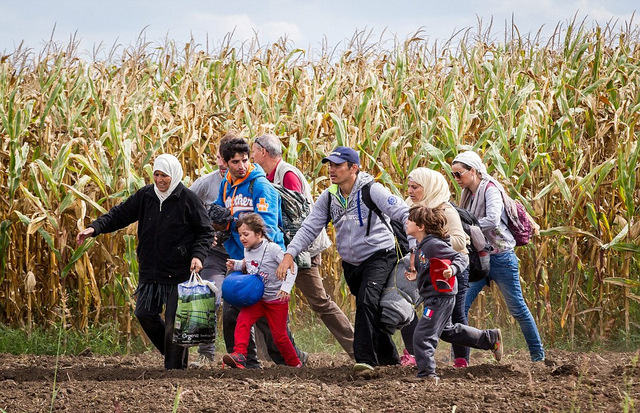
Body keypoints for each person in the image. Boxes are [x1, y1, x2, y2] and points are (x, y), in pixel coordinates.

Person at [76, 154, 213, 369]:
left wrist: (198, 256)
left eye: (164, 175)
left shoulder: (187, 199)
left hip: (179, 272)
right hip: (151, 270)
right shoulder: (146, 195)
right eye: (156, 174)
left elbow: (205, 232)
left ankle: (175, 370)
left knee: (173, 324)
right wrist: (95, 228)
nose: (159, 180)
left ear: (174, 175)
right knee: (144, 313)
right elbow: (119, 214)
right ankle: (175, 360)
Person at [277, 146, 407, 372]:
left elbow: (403, 213)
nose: (331, 170)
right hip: (351, 264)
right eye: (330, 165)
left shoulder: (372, 190)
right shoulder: (329, 197)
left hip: (380, 256)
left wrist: (415, 248)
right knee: (371, 308)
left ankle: (365, 360)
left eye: (337, 165)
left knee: (367, 302)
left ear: (353, 168)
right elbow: (309, 227)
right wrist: (290, 254)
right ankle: (390, 361)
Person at [251, 133, 355, 358]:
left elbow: (299, 217)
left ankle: (357, 348)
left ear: (264, 152)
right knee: (263, 299)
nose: (251, 157)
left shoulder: (287, 175)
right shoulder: (265, 178)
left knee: (319, 301)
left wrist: (291, 252)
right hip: (279, 250)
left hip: (300, 252)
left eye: (253, 151)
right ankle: (275, 355)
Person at [214, 137, 308, 367]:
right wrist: (217, 223)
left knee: (271, 324)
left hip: (265, 262)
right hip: (240, 260)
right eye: (235, 161)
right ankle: (244, 361)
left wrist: (232, 222)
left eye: (245, 160)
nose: (241, 166)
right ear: (225, 162)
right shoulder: (226, 185)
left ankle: (292, 363)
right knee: (232, 312)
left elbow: (264, 226)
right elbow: (219, 210)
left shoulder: (261, 186)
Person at [451, 151, 545, 362]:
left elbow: (492, 220)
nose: (456, 179)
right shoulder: (468, 193)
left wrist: (465, 228)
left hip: (501, 257)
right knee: (461, 307)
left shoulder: (490, 190)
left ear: (473, 171)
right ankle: (460, 359)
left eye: (459, 174)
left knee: (518, 309)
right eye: (453, 175)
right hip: (479, 257)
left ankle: (538, 356)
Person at [406, 205, 502, 380]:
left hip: (439, 297)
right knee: (448, 331)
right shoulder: (423, 245)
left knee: (422, 336)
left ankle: (427, 374)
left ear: (421, 226)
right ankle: (489, 338)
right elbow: (430, 265)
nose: (406, 222)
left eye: (410, 220)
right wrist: (418, 275)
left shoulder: (433, 244)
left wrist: (452, 268)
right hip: (436, 295)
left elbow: (460, 258)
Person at [402, 167, 472, 368]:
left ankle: (461, 359)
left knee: (456, 314)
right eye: (409, 186)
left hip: (452, 268)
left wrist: (434, 242)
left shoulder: (445, 210)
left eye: (415, 187)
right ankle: (416, 354)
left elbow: (460, 241)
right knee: (420, 313)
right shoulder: (411, 208)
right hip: (426, 268)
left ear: (430, 187)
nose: (410, 191)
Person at [223, 213, 301, 368]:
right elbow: (251, 265)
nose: (242, 238)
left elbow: (293, 267)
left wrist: (285, 288)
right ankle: (239, 355)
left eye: (246, 234)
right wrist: (237, 265)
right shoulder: (248, 249)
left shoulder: (272, 249)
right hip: (258, 299)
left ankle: (295, 364)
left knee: (279, 336)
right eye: (240, 235)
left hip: (276, 300)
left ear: (258, 233)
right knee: (242, 321)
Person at [188, 132, 236, 366]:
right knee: (210, 296)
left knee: (242, 302)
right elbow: (185, 208)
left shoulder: (252, 184)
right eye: (217, 157)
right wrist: (204, 236)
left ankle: (249, 354)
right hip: (215, 255)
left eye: (224, 159)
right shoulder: (206, 184)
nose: (219, 164)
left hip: (242, 255)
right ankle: (206, 354)